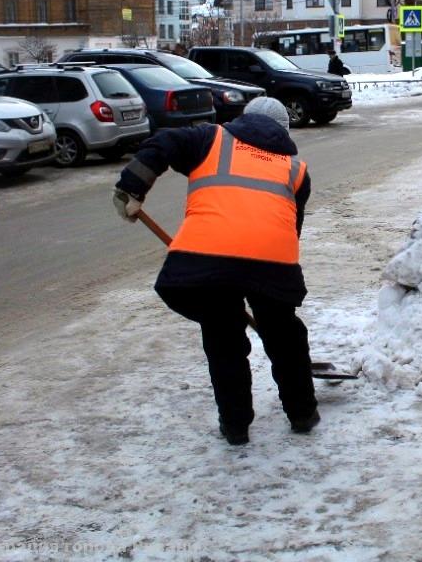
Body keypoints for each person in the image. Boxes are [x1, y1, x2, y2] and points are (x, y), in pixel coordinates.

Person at [112, 96, 318, 446]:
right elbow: (289, 229)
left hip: (208, 257)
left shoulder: (210, 139)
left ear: (243, 119)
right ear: (284, 132)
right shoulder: (296, 170)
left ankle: (235, 426)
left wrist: (131, 188)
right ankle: (302, 413)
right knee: (284, 335)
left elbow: (163, 142)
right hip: (271, 260)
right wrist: (269, 285)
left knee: (224, 337)